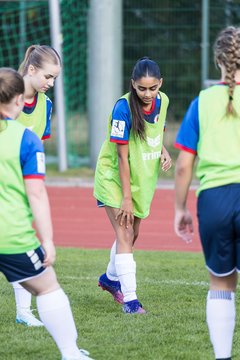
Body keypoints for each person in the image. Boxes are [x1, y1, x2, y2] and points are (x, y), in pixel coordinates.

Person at [0, 67, 94, 360]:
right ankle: (70, 354)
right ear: (18, 100)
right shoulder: (26, 139)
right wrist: (49, 240)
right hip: (10, 235)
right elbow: (37, 194)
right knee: (48, 286)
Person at [174, 26, 240, 360]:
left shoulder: (202, 101)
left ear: (219, 61)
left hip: (213, 200)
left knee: (221, 283)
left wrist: (180, 208)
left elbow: (184, 164)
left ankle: (222, 357)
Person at [94, 57, 172, 314]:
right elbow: (121, 156)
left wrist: (163, 150)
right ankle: (131, 301)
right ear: (132, 85)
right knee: (125, 233)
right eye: (141, 88)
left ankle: (109, 278)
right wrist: (126, 198)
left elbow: (154, 131)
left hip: (142, 177)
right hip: (114, 177)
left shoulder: (164, 101)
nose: (147, 94)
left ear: (160, 84)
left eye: (152, 88)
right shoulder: (122, 108)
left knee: (132, 235)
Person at [12, 44, 61, 327]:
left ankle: (23, 311)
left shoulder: (46, 105)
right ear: (31, 70)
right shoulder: (7, 94)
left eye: (55, 78)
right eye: (47, 77)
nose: (51, 84)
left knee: (22, 243)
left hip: (20, 187)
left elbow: (38, 146)